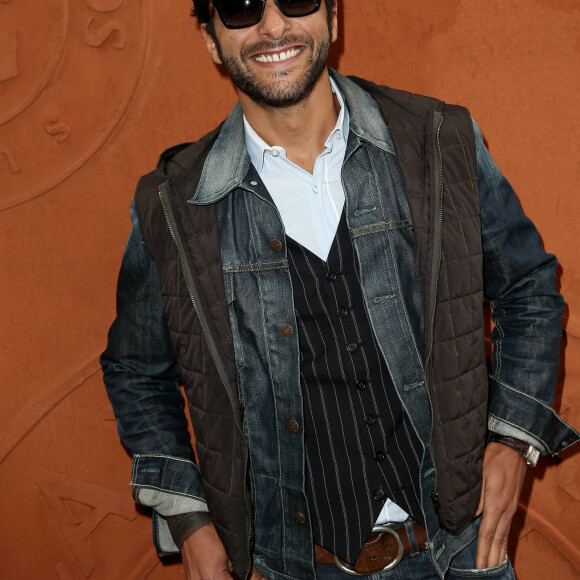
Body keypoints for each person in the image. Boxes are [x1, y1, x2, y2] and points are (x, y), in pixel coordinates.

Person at [101, 1, 579, 578]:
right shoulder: (174, 205)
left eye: (298, 0)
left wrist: (513, 436)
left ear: (334, 16)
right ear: (210, 40)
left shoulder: (438, 141)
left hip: (458, 552)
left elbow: (527, 285)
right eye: (243, 7)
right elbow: (136, 371)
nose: (274, 27)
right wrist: (192, 522)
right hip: (295, 565)